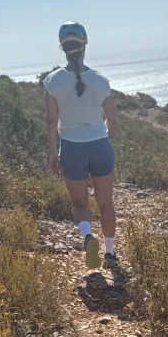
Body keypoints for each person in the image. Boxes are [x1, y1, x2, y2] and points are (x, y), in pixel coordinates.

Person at [43, 22, 118, 270]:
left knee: (79, 204)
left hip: (72, 147)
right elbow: (112, 120)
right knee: (105, 203)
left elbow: (52, 120)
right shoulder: (100, 80)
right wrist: (105, 139)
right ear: (84, 46)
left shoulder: (52, 81)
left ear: (63, 49)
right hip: (100, 145)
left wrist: (53, 151)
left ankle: (88, 237)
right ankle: (110, 253)